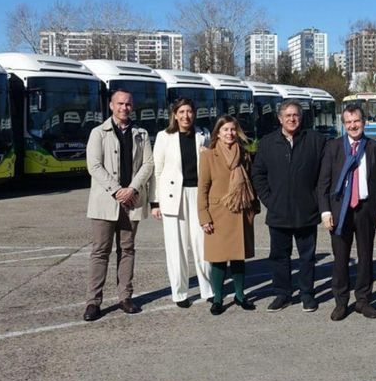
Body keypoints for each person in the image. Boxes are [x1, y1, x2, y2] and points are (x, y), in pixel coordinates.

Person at [83, 90, 154, 322]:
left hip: (131, 201)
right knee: (100, 251)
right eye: (120, 104)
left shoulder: (141, 134)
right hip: (106, 201)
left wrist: (132, 189)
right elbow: (94, 165)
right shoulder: (98, 133)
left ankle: (125, 297)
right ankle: (93, 302)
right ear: (111, 106)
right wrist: (117, 190)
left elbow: (148, 164)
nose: (125, 108)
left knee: (127, 249)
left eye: (129, 104)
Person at [251, 100, 326, 313]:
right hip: (278, 212)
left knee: (307, 257)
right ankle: (282, 294)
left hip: (306, 211)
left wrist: (316, 200)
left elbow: (324, 173)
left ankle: (307, 294)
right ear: (280, 118)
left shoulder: (315, 140)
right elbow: (258, 174)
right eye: (288, 115)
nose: (292, 119)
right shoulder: (267, 143)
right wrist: (269, 199)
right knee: (279, 256)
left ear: (301, 118)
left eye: (295, 115)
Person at [317, 105, 376, 321]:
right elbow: (323, 183)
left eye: (356, 121)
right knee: (340, 259)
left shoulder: (374, 147)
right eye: (348, 122)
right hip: (340, 209)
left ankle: (363, 300)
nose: (352, 125)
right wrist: (325, 211)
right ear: (343, 124)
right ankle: (341, 301)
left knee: (366, 256)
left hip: (366, 208)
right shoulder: (334, 147)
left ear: (363, 122)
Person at [150, 98, 212, 308]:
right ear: (175, 115)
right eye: (182, 112)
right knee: (176, 247)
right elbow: (156, 171)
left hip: (198, 195)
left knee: (202, 244)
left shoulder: (203, 134)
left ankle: (208, 289)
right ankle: (180, 293)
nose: (186, 116)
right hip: (172, 197)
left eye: (190, 111)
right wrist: (155, 202)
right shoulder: (164, 137)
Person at [197, 115, 259, 316]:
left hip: (240, 210)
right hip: (218, 212)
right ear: (218, 133)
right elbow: (203, 189)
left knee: (238, 257)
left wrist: (253, 207)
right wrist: (204, 216)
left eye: (233, 129)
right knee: (218, 259)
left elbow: (250, 181)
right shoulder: (208, 156)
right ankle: (217, 298)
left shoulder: (245, 154)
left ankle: (240, 296)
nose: (230, 133)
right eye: (225, 130)